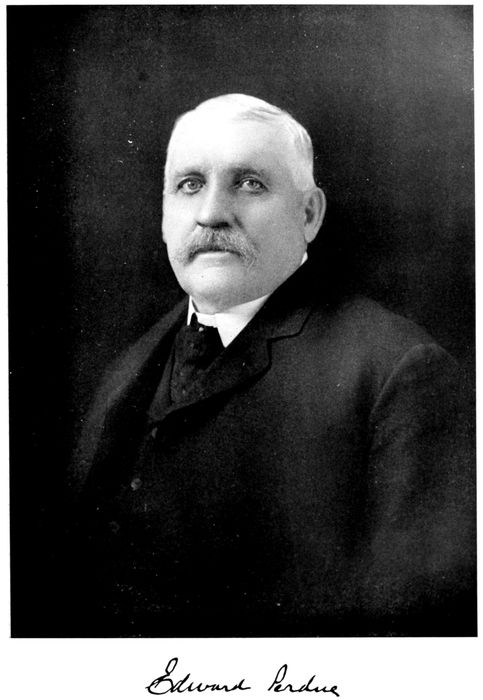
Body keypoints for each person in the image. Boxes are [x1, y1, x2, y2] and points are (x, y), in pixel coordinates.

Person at [69, 94, 475, 637]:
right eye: (190, 185)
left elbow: (411, 636)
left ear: (309, 214)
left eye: (249, 183)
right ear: (165, 217)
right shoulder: (123, 373)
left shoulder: (398, 373)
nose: (211, 212)